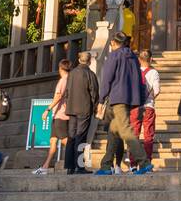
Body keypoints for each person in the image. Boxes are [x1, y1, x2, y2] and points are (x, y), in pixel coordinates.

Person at [96, 32, 153, 175]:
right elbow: (139, 79)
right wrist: (139, 99)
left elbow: (107, 79)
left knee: (125, 130)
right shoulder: (133, 57)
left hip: (117, 98)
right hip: (130, 98)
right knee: (113, 131)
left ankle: (144, 162)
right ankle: (106, 165)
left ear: (114, 43)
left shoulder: (114, 56)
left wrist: (101, 99)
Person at [63, 51, 99, 174]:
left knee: (71, 136)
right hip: (84, 109)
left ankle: (69, 166)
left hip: (72, 108)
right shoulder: (90, 74)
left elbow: (67, 91)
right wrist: (95, 107)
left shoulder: (71, 74)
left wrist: (67, 104)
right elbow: (94, 93)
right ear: (89, 61)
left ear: (79, 60)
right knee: (81, 137)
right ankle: (80, 166)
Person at [34, 59, 71, 175]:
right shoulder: (69, 79)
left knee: (67, 141)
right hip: (58, 114)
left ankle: (81, 156)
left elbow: (58, 97)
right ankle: (45, 167)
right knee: (53, 141)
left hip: (61, 114)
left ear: (60, 68)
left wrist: (47, 109)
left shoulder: (63, 80)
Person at [131, 50, 160, 164]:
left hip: (135, 107)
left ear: (139, 60)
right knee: (148, 134)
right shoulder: (154, 73)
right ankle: (147, 161)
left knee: (134, 134)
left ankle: (133, 162)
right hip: (148, 107)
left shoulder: (134, 71)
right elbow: (156, 91)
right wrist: (150, 98)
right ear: (151, 59)